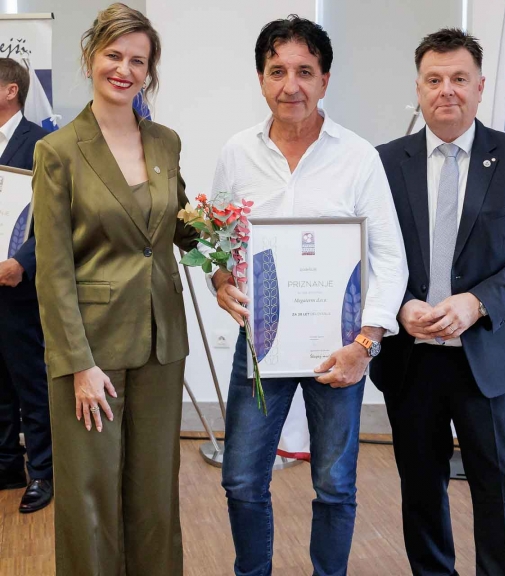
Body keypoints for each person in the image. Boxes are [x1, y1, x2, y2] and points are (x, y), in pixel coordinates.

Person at [210, 15, 407, 576]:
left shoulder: (358, 157)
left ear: (325, 80)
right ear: (260, 78)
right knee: (241, 478)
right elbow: (219, 243)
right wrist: (220, 282)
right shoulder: (236, 153)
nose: (290, 85)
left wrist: (366, 343)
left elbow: (389, 257)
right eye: (277, 71)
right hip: (262, 342)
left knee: (335, 484)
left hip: (340, 348)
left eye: (304, 71)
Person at [372, 28, 505, 575]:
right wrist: (401, 306)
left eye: (459, 79)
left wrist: (477, 303)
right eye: (434, 80)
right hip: (411, 358)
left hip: (490, 356)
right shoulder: (383, 162)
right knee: (421, 490)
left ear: (480, 88)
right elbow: (367, 255)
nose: (447, 90)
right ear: (418, 88)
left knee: (499, 491)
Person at [32, 4, 198, 575]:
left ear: (149, 71)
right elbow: (53, 269)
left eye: (138, 61)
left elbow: (182, 227)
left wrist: (229, 235)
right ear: (90, 57)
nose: (124, 70)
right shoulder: (57, 150)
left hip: (161, 342)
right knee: (90, 494)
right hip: (91, 349)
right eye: (114, 56)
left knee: (155, 494)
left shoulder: (166, 142)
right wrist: (78, 363)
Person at [0, 58, 52, 514]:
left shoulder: (42, 144)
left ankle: (43, 472)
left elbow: (58, 217)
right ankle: (5, 466)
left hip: (20, 286)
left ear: (10, 90)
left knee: (30, 382)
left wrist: (23, 261)